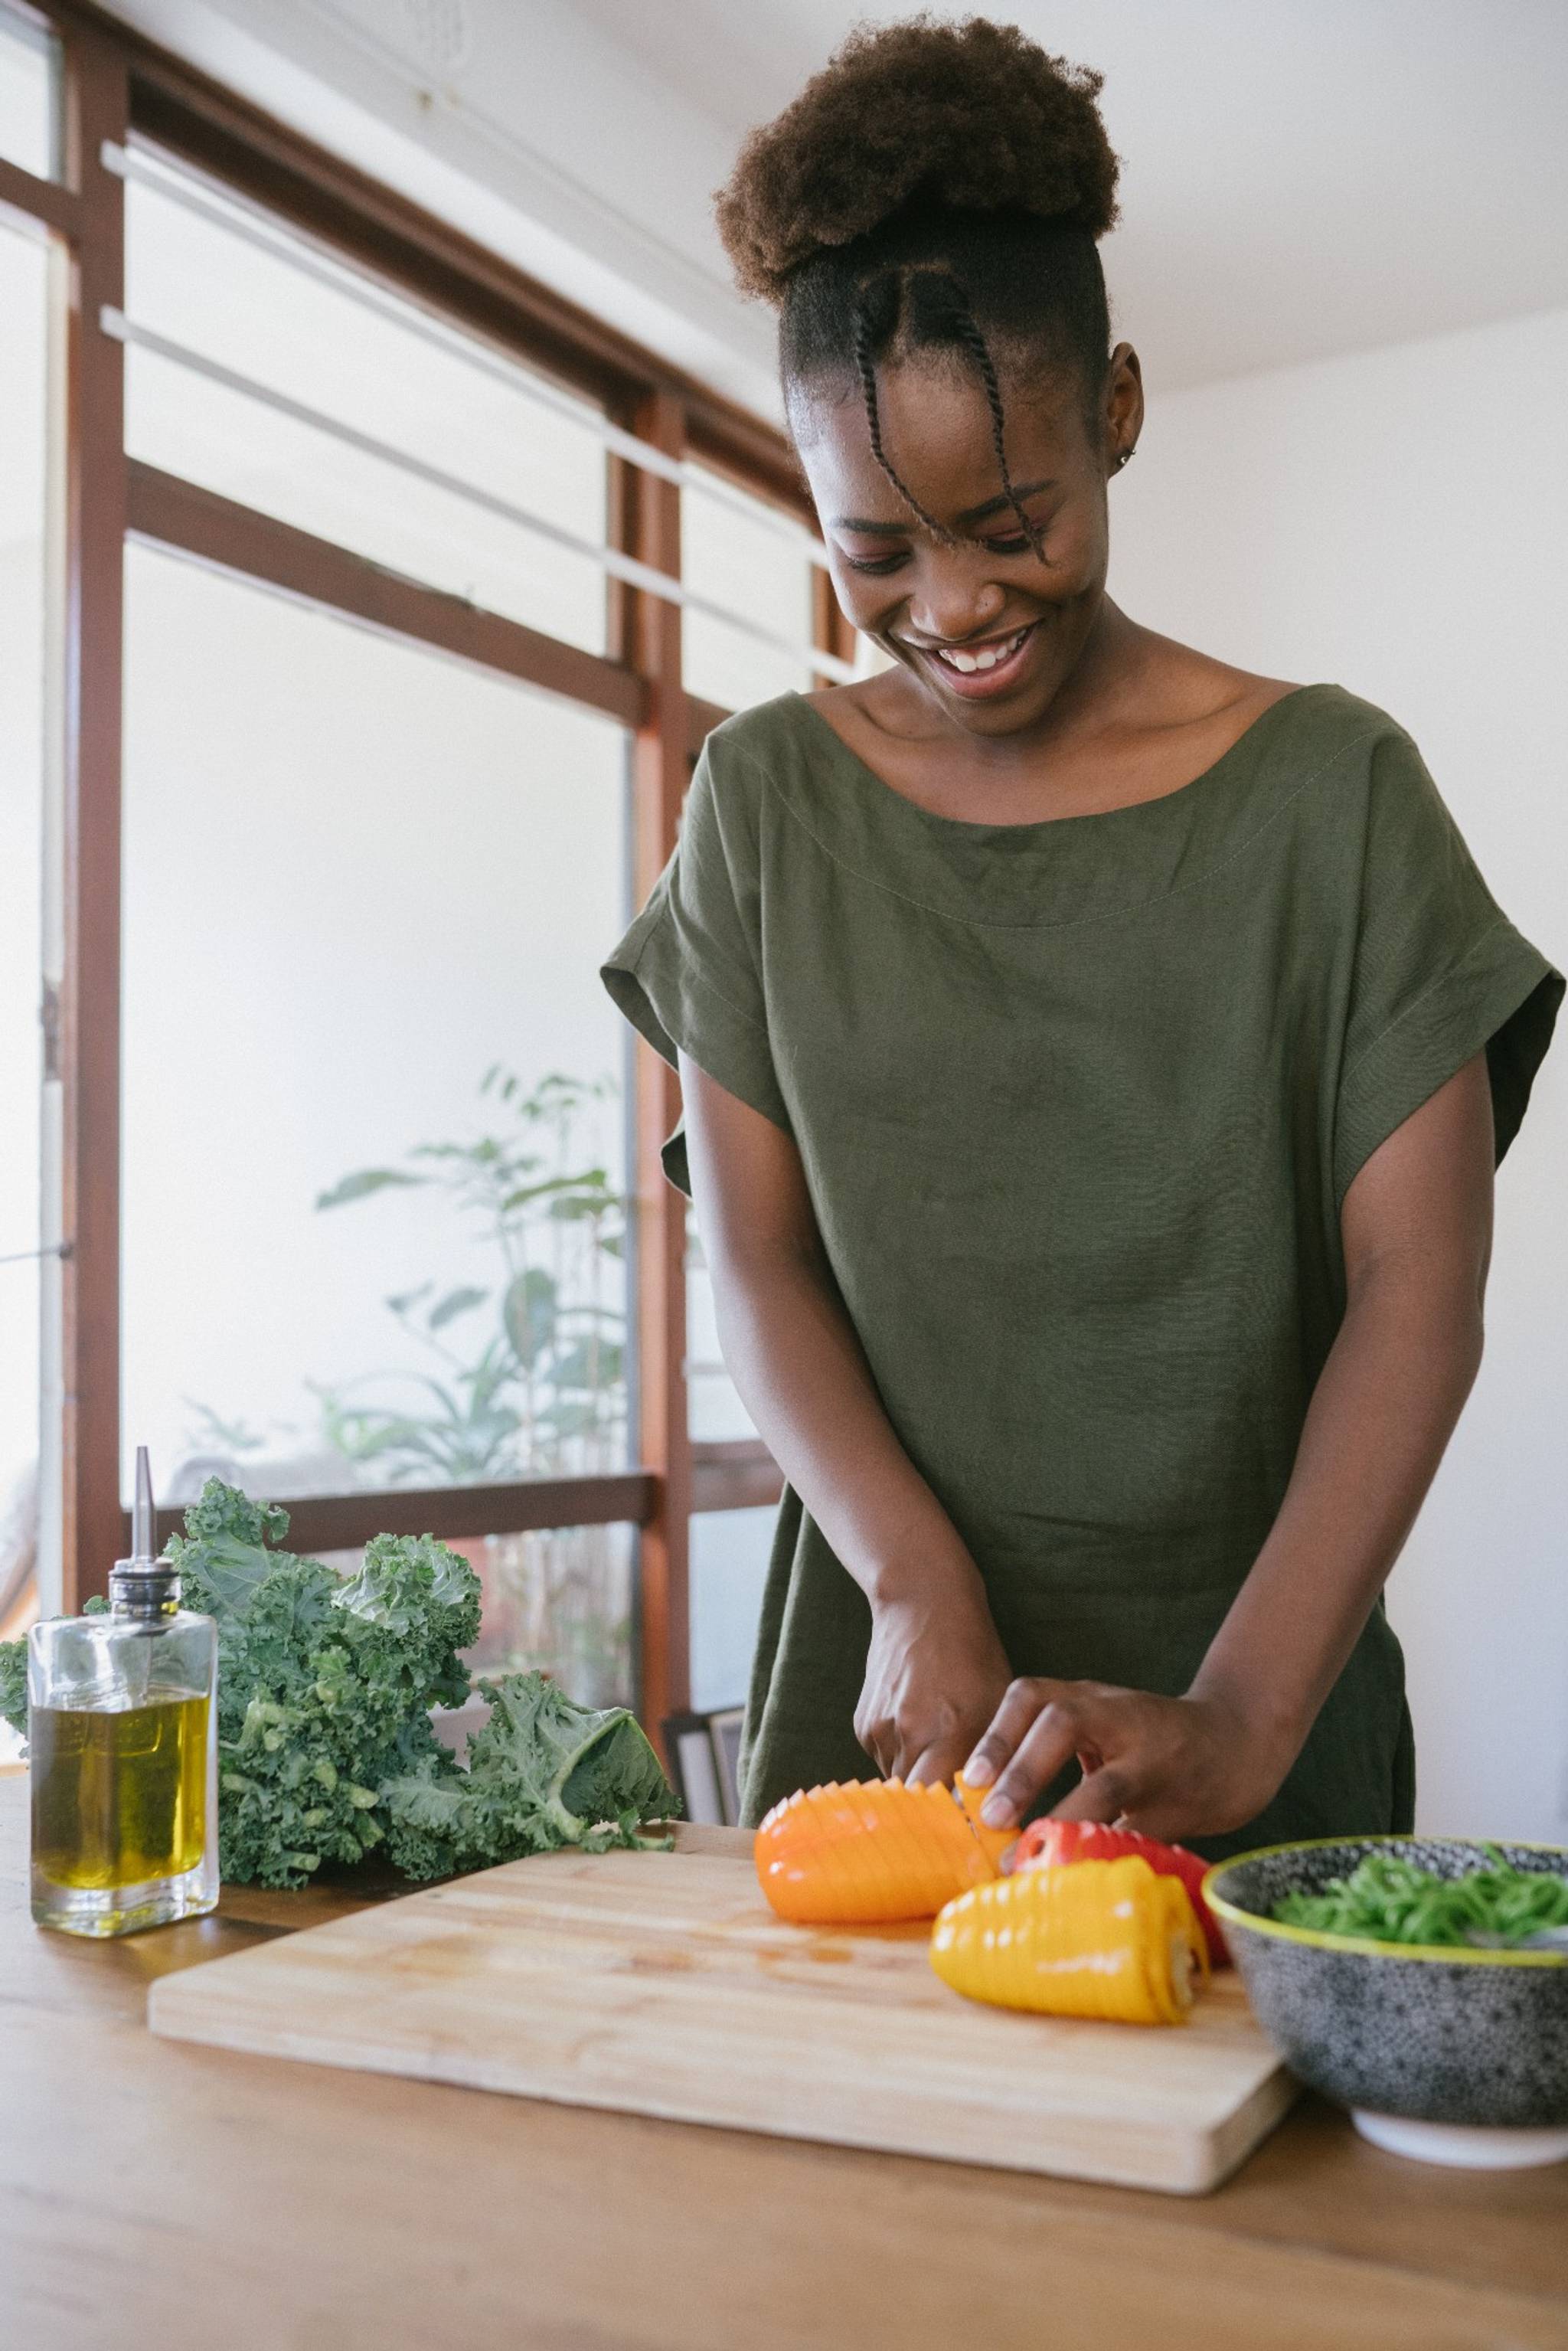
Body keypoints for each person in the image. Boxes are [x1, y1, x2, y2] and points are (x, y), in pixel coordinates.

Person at [602, 18, 1560, 1855]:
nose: (950, 605)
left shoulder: (1335, 796)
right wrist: (907, 1577)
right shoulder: (760, 806)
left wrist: (1240, 1710)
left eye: (1009, 518)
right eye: (873, 553)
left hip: (1255, 1715)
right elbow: (759, 1265)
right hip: (891, 1717)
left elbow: (1414, 1293)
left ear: (1114, 406)